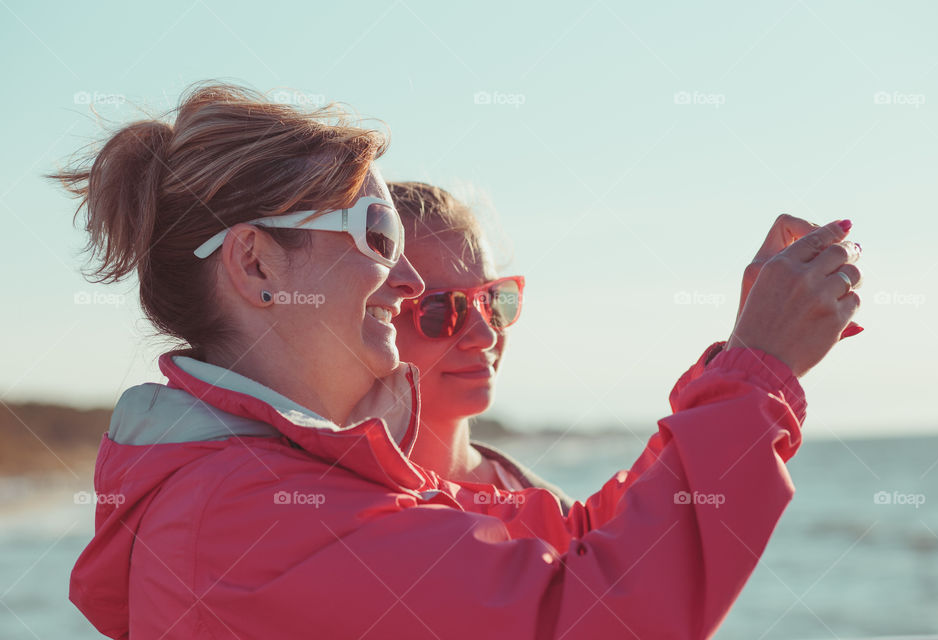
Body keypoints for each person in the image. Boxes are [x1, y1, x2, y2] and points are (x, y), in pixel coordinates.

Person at [51, 82, 863, 639]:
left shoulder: (275, 482)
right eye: (374, 235)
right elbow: (584, 614)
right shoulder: (247, 514)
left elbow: (561, 541)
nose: (403, 281)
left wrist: (746, 362)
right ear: (257, 265)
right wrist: (756, 372)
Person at [389, 181, 575, 513]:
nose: (486, 336)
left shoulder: (558, 516)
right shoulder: (322, 512)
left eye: (492, 299)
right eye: (441, 308)